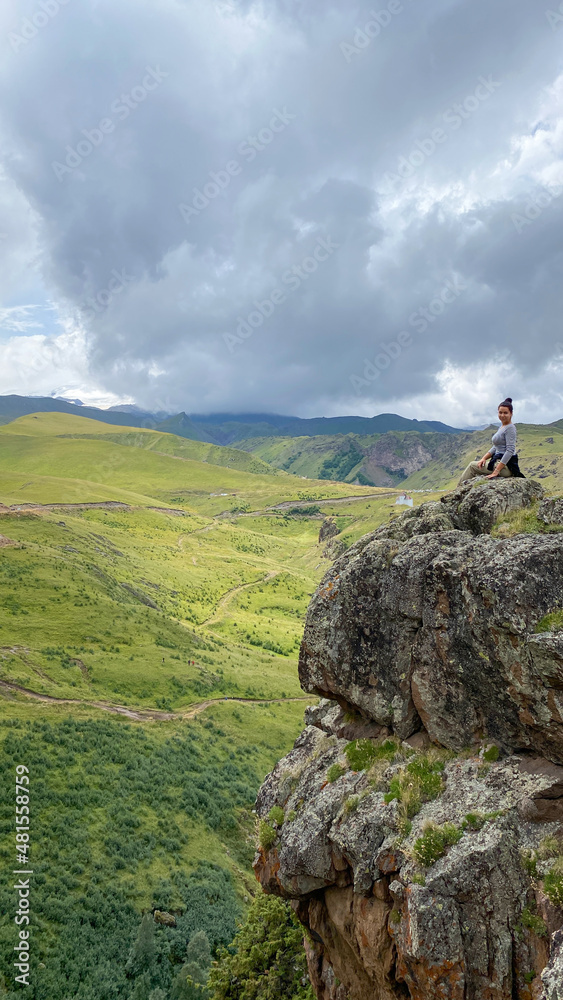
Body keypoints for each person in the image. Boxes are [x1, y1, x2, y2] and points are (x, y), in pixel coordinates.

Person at [458, 397, 524, 485]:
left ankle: (457, 490)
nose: (502, 415)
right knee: (477, 465)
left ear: (511, 413)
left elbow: (510, 450)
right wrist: (484, 458)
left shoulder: (510, 428)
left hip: (506, 467)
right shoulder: (502, 427)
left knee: (472, 466)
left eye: (505, 413)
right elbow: (496, 446)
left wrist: (496, 470)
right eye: (500, 412)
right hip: (499, 463)